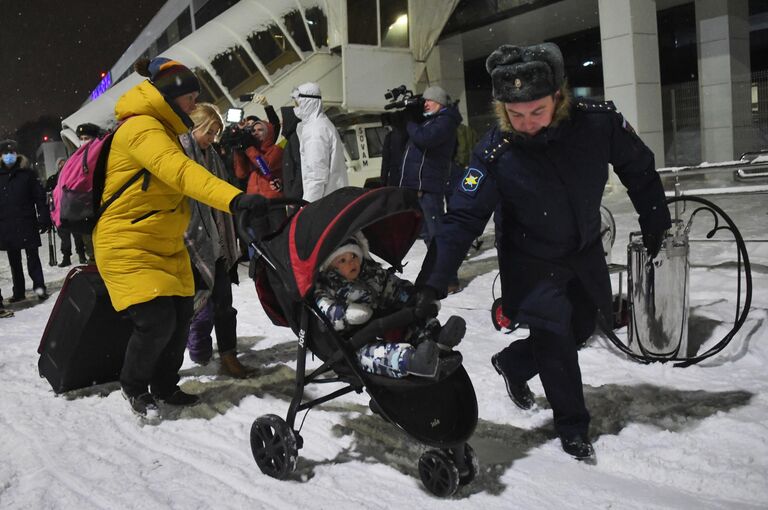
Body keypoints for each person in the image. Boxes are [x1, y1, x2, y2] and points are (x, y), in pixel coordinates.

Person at [416, 43, 671, 460]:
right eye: (515, 115)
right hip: (530, 258)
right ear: (501, 109)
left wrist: (656, 222)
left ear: (559, 97)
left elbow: (639, 168)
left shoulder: (598, 124)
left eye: (537, 111)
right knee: (554, 338)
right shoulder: (495, 152)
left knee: (583, 325)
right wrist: (431, 282)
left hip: (584, 248)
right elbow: (462, 219)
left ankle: (515, 364)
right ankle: (572, 425)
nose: (527, 124)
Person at [92, 57, 267, 419]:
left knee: (180, 315)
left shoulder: (165, 130)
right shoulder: (141, 129)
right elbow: (182, 172)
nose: (194, 103)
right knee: (156, 320)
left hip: (166, 243)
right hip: (128, 242)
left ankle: (165, 385)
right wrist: (234, 199)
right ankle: (135, 386)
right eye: (190, 96)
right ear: (172, 95)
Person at [315, 232, 465, 379]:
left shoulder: (372, 274)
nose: (351, 262)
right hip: (354, 340)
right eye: (342, 260)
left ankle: (438, 338)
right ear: (329, 266)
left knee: (414, 323)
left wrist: (414, 297)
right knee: (376, 354)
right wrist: (346, 315)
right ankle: (412, 361)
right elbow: (326, 311)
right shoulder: (327, 287)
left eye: (354, 256)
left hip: (386, 323)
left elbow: (393, 287)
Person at [180, 102, 253, 378]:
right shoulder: (179, 154)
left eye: (215, 134)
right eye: (209, 133)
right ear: (194, 128)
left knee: (224, 304)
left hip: (217, 240)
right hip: (190, 241)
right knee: (196, 307)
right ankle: (193, 350)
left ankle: (228, 355)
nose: (212, 140)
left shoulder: (211, 155)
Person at [398, 85, 462, 245]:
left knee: (436, 234)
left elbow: (425, 139)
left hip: (429, 185)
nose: (425, 103)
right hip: (420, 185)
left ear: (439, 102)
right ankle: (434, 267)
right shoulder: (431, 121)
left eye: (429, 100)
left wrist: (410, 122)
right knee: (426, 233)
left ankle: (443, 267)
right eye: (424, 100)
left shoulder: (446, 121)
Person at [0, 139, 51, 302]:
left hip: (26, 222)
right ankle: (19, 291)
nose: (9, 156)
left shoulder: (27, 174)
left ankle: (39, 288)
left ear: (17, 154)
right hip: (6, 224)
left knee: (33, 258)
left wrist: (43, 217)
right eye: (5, 153)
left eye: (12, 153)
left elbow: (39, 197)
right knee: (14, 261)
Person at [292, 82, 348, 202]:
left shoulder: (315, 131)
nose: (295, 107)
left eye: (297, 103)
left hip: (324, 202)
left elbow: (316, 176)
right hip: (332, 198)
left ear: (307, 102)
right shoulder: (321, 124)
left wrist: (307, 207)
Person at [234, 118, 285, 237]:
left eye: (260, 130)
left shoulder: (276, 150)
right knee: (262, 241)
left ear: (268, 133)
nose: (255, 133)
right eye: (253, 131)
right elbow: (240, 174)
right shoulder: (251, 152)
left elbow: (265, 167)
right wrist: (239, 152)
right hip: (255, 205)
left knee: (280, 236)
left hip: (273, 203)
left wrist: (249, 149)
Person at [45, 156, 87, 266]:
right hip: (59, 212)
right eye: (60, 163)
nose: (62, 166)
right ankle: (66, 257)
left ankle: (81, 255)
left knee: (77, 235)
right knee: (64, 237)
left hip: (73, 211)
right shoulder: (52, 180)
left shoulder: (73, 176)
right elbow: (48, 196)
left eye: (64, 163)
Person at [279, 105, 303, 205]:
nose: (281, 123)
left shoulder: (294, 137)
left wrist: (294, 196)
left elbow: (299, 166)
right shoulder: (290, 138)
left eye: (283, 119)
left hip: (295, 195)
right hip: (292, 194)